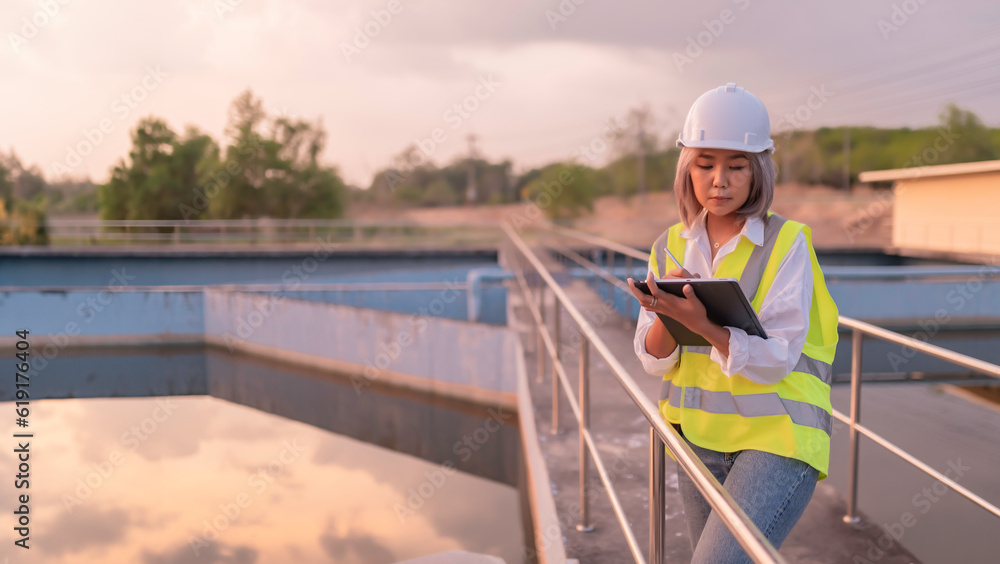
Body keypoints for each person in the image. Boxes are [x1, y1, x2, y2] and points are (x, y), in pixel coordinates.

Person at [626, 83, 839, 563]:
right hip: (699, 435)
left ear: (758, 170)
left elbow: (778, 358)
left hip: (778, 438)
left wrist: (705, 326)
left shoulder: (788, 244)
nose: (719, 180)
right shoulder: (667, 246)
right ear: (687, 168)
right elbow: (654, 360)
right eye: (705, 164)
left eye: (736, 166)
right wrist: (664, 310)